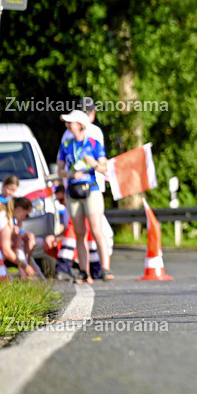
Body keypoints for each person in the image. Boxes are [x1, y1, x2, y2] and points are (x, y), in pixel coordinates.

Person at [57, 97, 114, 268]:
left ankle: (103, 267)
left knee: (96, 229)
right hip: (73, 190)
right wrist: (70, 175)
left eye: (70, 122)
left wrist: (93, 164)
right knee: (80, 232)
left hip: (92, 187)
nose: (67, 125)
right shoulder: (67, 140)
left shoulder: (94, 135)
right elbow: (60, 168)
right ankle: (85, 269)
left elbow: (104, 166)